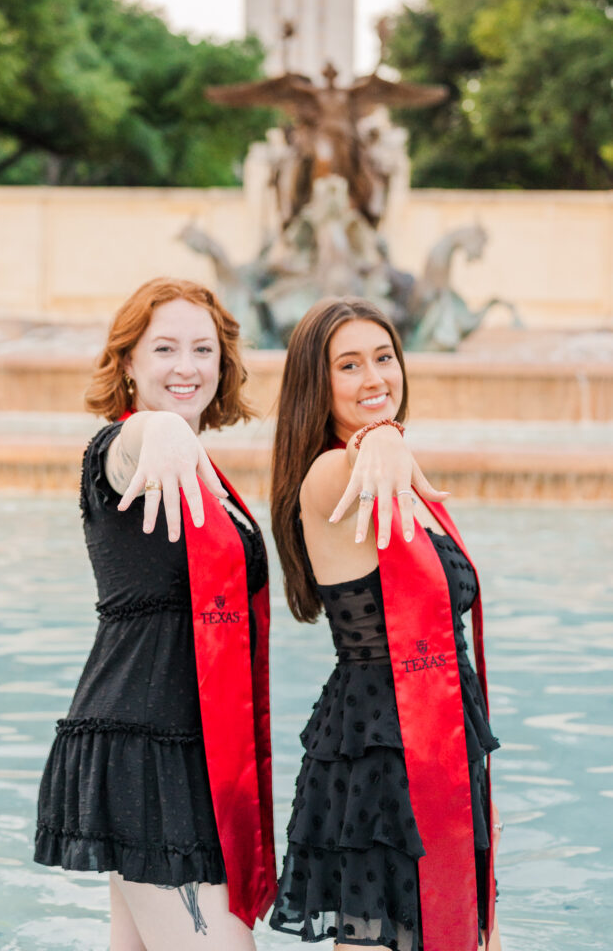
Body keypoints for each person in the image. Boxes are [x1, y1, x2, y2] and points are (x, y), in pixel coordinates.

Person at [34, 278, 278, 951]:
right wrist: (160, 425)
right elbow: (134, 443)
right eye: (164, 347)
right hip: (143, 749)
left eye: (203, 349)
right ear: (129, 363)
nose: (186, 366)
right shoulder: (118, 454)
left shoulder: (211, 477)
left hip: (195, 753)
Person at [268, 296, 501, 951]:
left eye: (384, 357)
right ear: (319, 386)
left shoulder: (398, 478)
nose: (375, 378)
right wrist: (384, 436)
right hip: (379, 747)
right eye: (349, 365)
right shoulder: (330, 476)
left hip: (449, 733)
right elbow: (360, 459)